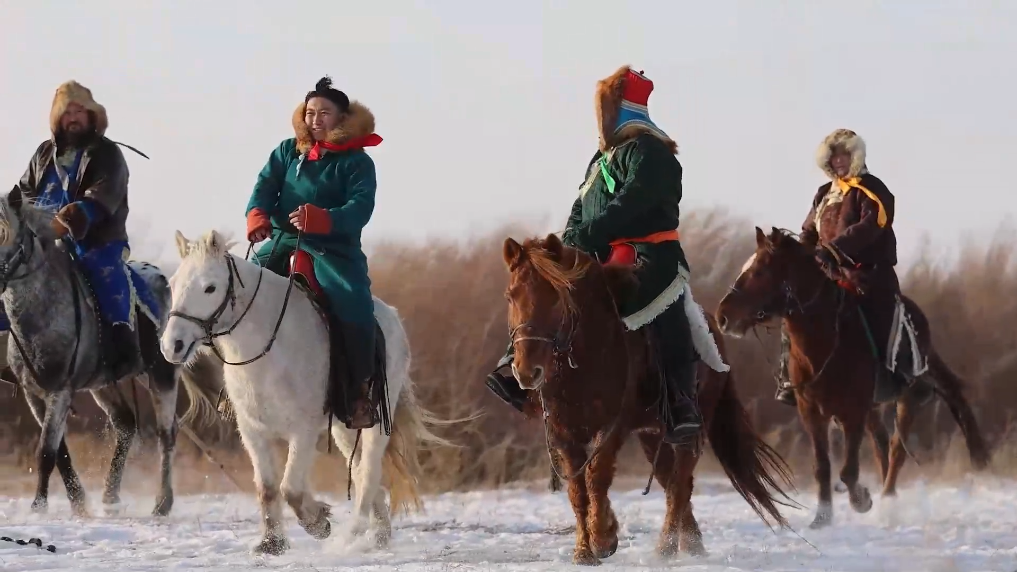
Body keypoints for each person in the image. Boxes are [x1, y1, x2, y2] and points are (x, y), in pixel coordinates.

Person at [484, 66, 703, 446]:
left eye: (606, 111)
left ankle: (680, 401)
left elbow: (634, 199)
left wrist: (592, 232)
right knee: (547, 295)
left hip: (650, 255)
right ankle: (522, 371)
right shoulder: (600, 161)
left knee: (663, 310)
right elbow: (580, 208)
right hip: (601, 253)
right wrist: (571, 241)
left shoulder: (652, 152)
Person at [245, 76, 383, 430]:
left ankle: (358, 391)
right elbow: (265, 186)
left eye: (324, 113)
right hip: (282, 240)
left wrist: (324, 219)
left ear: (342, 118)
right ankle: (238, 386)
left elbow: (360, 208)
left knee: (353, 301)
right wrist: (258, 216)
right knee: (243, 287)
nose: (315, 119)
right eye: (310, 112)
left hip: (332, 248)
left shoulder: (357, 162)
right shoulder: (286, 151)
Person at [5, 80, 141, 381]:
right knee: (11, 275)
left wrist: (73, 217)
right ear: (58, 117)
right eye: (67, 112)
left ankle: (123, 343)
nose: (74, 118)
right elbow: (25, 192)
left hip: (97, 241)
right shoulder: (43, 154)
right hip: (45, 245)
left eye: (80, 111)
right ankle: (14, 351)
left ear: (91, 114)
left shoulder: (107, 153)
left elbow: (104, 195)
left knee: (104, 272)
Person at [774, 128, 905, 405]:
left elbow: (872, 225)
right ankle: (789, 379)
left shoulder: (873, 189)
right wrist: (800, 255)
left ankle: (888, 375)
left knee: (878, 316)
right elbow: (809, 231)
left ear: (855, 155)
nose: (839, 161)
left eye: (844, 154)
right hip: (827, 276)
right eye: (833, 157)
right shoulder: (824, 193)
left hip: (866, 274)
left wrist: (834, 249)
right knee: (793, 312)